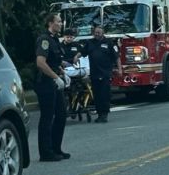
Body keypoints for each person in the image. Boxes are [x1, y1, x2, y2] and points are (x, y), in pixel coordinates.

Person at [34, 13, 70, 161]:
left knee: (61, 115)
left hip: (55, 80)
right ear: (50, 23)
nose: (61, 24)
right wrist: (55, 78)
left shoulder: (54, 40)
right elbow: (40, 62)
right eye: (58, 22)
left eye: (61, 22)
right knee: (47, 117)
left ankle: (56, 148)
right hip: (45, 82)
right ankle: (46, 152)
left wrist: (62, 73)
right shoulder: (44, 39)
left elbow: (54, 61)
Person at [78, 26, 121, 123]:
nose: (97, 34)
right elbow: (82, 52)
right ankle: (99, 114)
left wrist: (119, 69)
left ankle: (104, 114)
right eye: (95, 32)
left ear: (103, 33)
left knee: (104, 94)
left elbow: (116, 57)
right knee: (96, 95)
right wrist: (76, 56)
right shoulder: (90, 43)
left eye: (99, 32)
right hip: (94, 73)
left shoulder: (109, 43)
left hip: (105, 73)